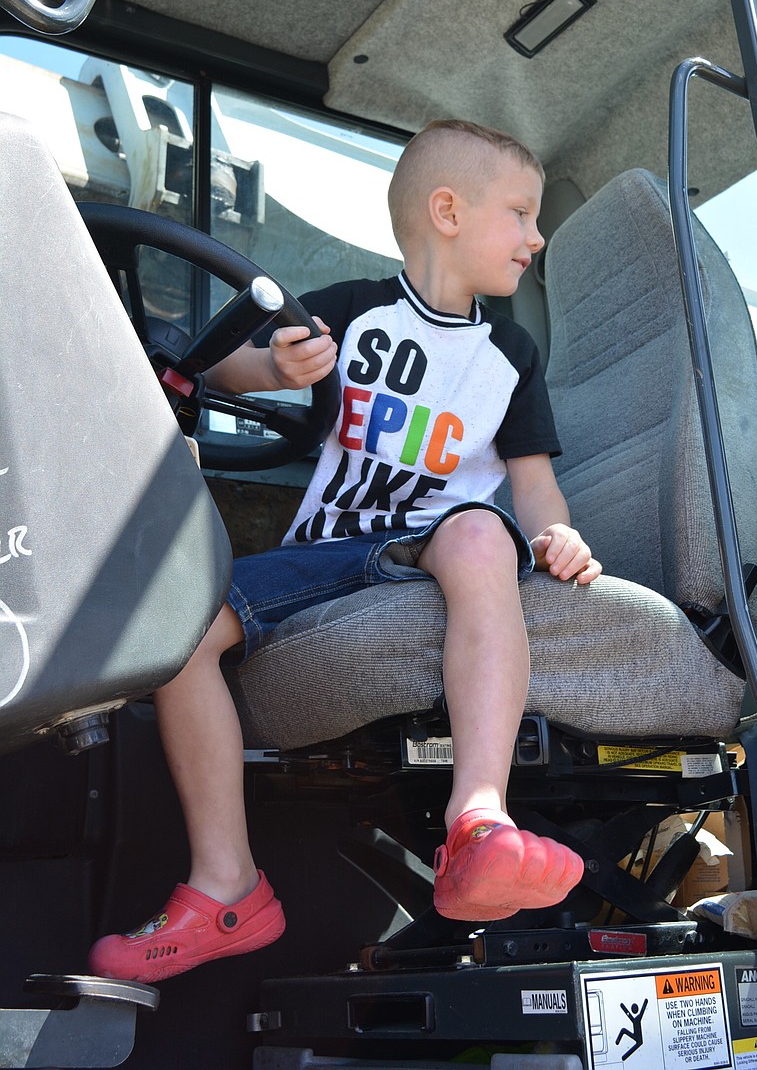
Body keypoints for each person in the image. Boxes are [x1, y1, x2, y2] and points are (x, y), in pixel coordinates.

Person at [88, 118, 602, 983]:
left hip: (429, 550)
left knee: (480, 528)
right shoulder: (351, 313)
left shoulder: (510, 355)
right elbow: (218, 372)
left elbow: (533, 482)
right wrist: (279, 372)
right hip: (328, 556)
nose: (535, 237)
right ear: (448, 211)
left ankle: (480, 821)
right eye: (519, 214)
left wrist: (559, 532)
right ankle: (228, 887)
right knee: (174, 635)